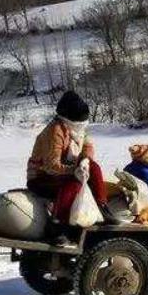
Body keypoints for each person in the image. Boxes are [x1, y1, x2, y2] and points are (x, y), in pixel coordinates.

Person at [27, 91, 119, 245]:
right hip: (42, 178)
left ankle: (102, 207)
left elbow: (88, 147)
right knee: (74, 183)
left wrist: (84, 161)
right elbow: (51, 166)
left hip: (64, 173)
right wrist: (74, 171)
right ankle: (57, 226)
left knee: (94, 167)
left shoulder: (78, 130)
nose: (82, 124)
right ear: (69, 118)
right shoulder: (55, 130)